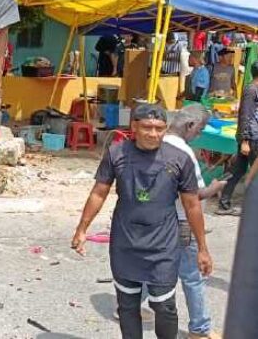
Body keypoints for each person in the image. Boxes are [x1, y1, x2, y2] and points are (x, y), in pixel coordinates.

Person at [71, 103, 212, 339]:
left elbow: (192, 205)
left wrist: (203, 249)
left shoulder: (179, 159)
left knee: (164, 307)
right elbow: (98, 193)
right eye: (147, 127)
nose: (153, 134)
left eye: (159, 128)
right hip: (125, 244)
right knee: (127, 307)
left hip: (163, 246)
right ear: (134, 126)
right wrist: (82, 229)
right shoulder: (117, 154)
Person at [162, 105, 224, 339]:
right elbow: (193, 197)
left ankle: (130, 305)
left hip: (158, 221)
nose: (198, 136)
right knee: (192, 277)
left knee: (156, 267)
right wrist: (214, 188)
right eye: (199, 130)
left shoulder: (157, 142)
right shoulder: (184, 153)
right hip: (180, 220)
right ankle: (200, 329)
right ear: (189, 126)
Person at [217, 61, 258, 215]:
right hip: (251, 138)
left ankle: (224, 202)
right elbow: (245, 115)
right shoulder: (251, 89)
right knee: (252, 172)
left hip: (252, 136)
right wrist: (245, 141)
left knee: (238, 170)